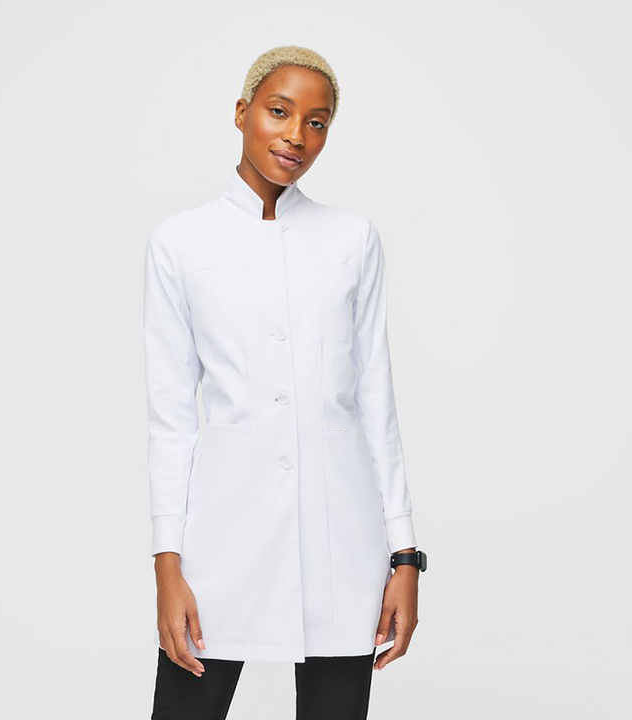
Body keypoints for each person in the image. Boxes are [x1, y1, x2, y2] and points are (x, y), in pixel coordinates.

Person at [143, 45, 426, 720]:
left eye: (317, 122)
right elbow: (170, 419)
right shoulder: (180, 244)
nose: (297, 134)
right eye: (279, 111)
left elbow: (375, 403)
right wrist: (167, 564)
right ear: (242, 112)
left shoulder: (353, 240)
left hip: (342, 542)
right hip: (221, 539)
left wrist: (405, 556)